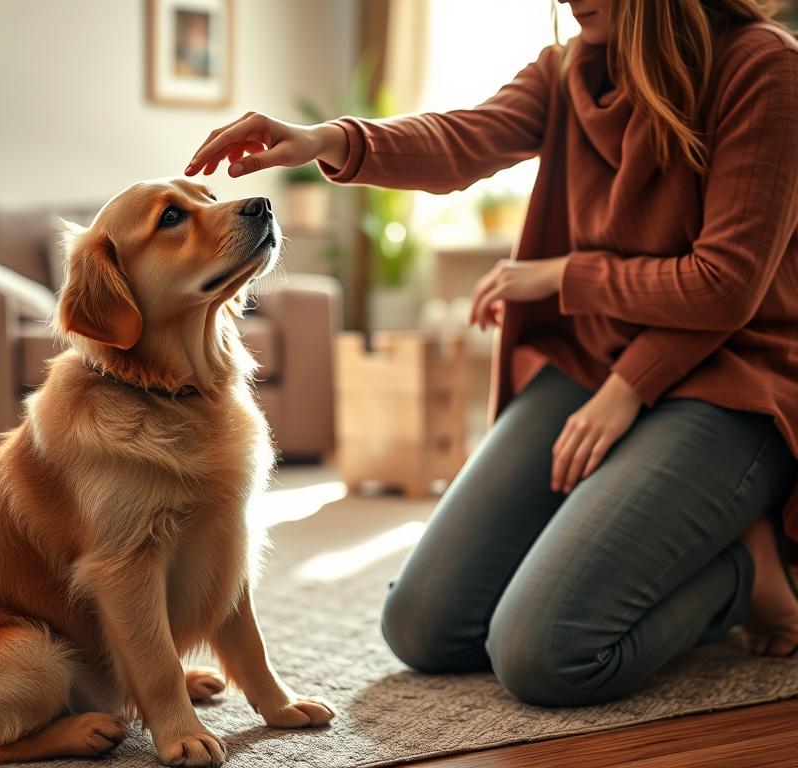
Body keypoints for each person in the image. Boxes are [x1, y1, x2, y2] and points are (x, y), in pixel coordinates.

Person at [185, 0, 798, 706]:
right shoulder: (568, 68)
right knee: (423, 627)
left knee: (547, 652)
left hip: (732, 380)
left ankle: (748, 573)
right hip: (591, 360)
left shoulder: (763, 66)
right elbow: (462, 139)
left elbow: (724, 286)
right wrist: (324, 139)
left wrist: (565, 279)